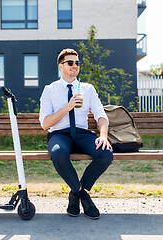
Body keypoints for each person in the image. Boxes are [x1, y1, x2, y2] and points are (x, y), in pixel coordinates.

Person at [39, 48, 113, 220]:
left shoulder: (87, 88)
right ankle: (83, 195)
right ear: (60, 66)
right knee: (58, 153)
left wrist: (103, 136)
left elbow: (101, 116)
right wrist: (67, 107)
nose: (75, 66)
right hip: (59, 134)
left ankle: (76, 193)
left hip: (82, 133)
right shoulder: (50, 90)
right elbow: (45, 124)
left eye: (77, 63)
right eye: (70, 63)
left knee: (106, 154)